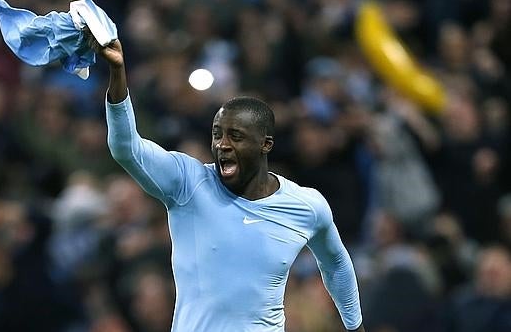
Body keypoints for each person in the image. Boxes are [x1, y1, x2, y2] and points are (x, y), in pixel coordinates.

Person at [92, 36, 365, 331]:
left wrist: (355, 326)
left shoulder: (306, 206)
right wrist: (118, 76)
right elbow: (126, 148)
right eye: (217, 134)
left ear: (265, 144)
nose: (222, 145)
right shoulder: (188, 183)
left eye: (235, 136)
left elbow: (336, 264)